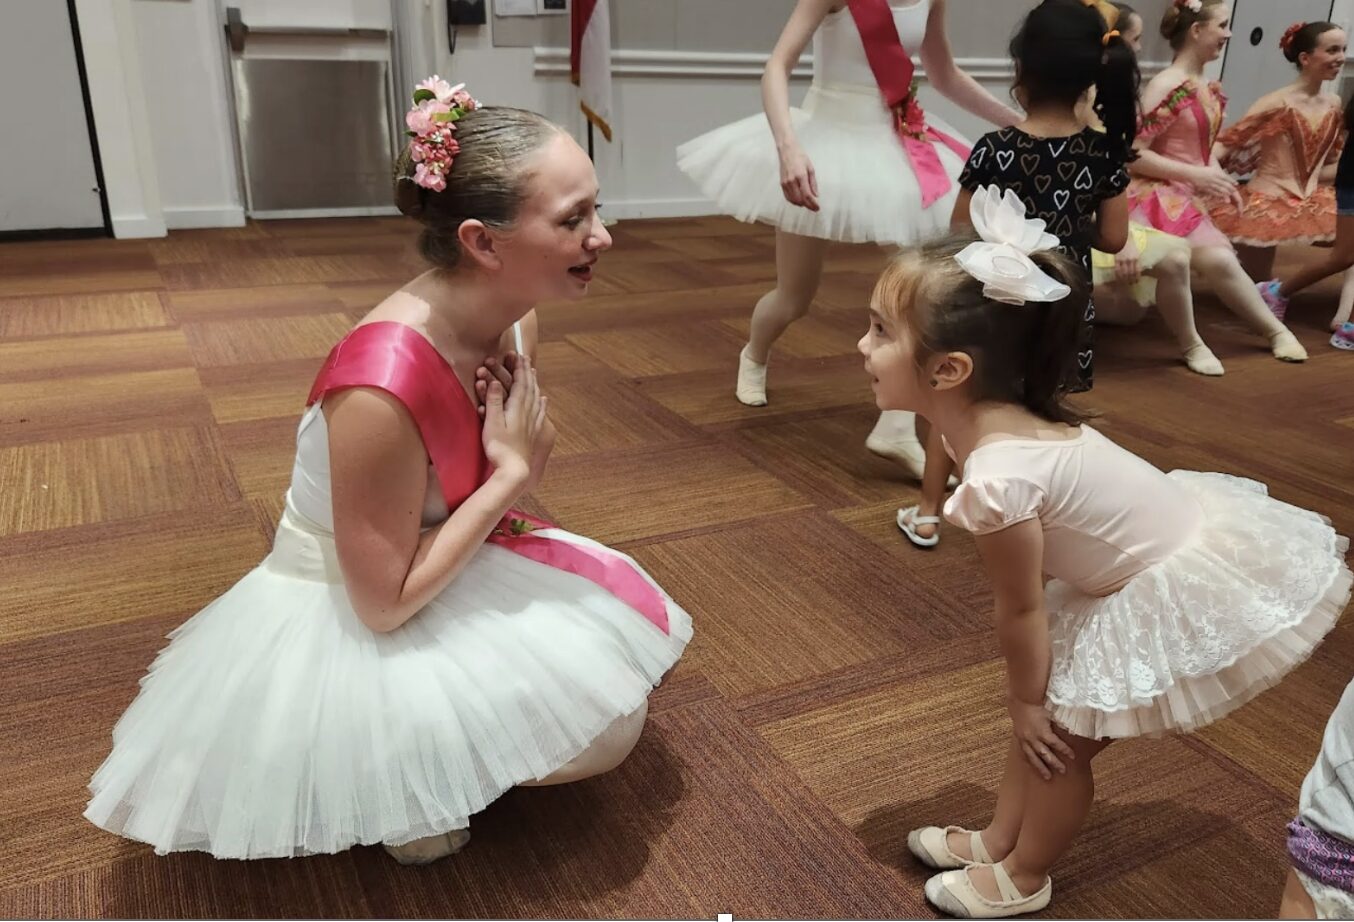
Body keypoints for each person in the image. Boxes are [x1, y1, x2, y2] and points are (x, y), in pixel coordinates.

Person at [84, 79, 692, 864]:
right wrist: (511, 476)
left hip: (437, 544)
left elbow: (460, 479)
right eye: (574, 219)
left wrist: (500, 475)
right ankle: (385, 776)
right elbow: (381, 606)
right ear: (482, 243)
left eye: (595, 209)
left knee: (611, 694)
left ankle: (426, 764)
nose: (602, 236)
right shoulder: (380, 388)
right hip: (352, 597)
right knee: (598, 730)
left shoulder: (515, 320)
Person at [860, 186, 1350, 918]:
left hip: (1157, 584)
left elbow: (1020, 606)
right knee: (1042, 734)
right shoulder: (991, 418)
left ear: (950, 370)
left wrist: (1024, 701)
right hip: (1129, 563)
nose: (862, 347)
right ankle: (998, 840)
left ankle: (1025, 875)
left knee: (1057, 742)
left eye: (878, 331)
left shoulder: (1001, 477)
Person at [677, 0, 1022, 478]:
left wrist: (1020, 126)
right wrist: (788, 148)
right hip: (824, 143)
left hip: (896, 148)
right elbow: (777, 66)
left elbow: (944, 74)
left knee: (920, 287)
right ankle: (753, 354)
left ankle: (895, 426)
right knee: (794, 297)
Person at [1127, 0, 1308, 364]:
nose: (1229, 33)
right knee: (1216, 262)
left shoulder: (1204, 84)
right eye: (1222, 25)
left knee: (1220, 262)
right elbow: (1134, 154)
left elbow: (1202, 149)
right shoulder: (1167, 85)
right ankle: (1208, 343)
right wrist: (1198, 175)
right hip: (1157, 196)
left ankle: (1274, 332)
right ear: (1196, 31)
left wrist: (1221, 180)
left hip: (1185, 193)